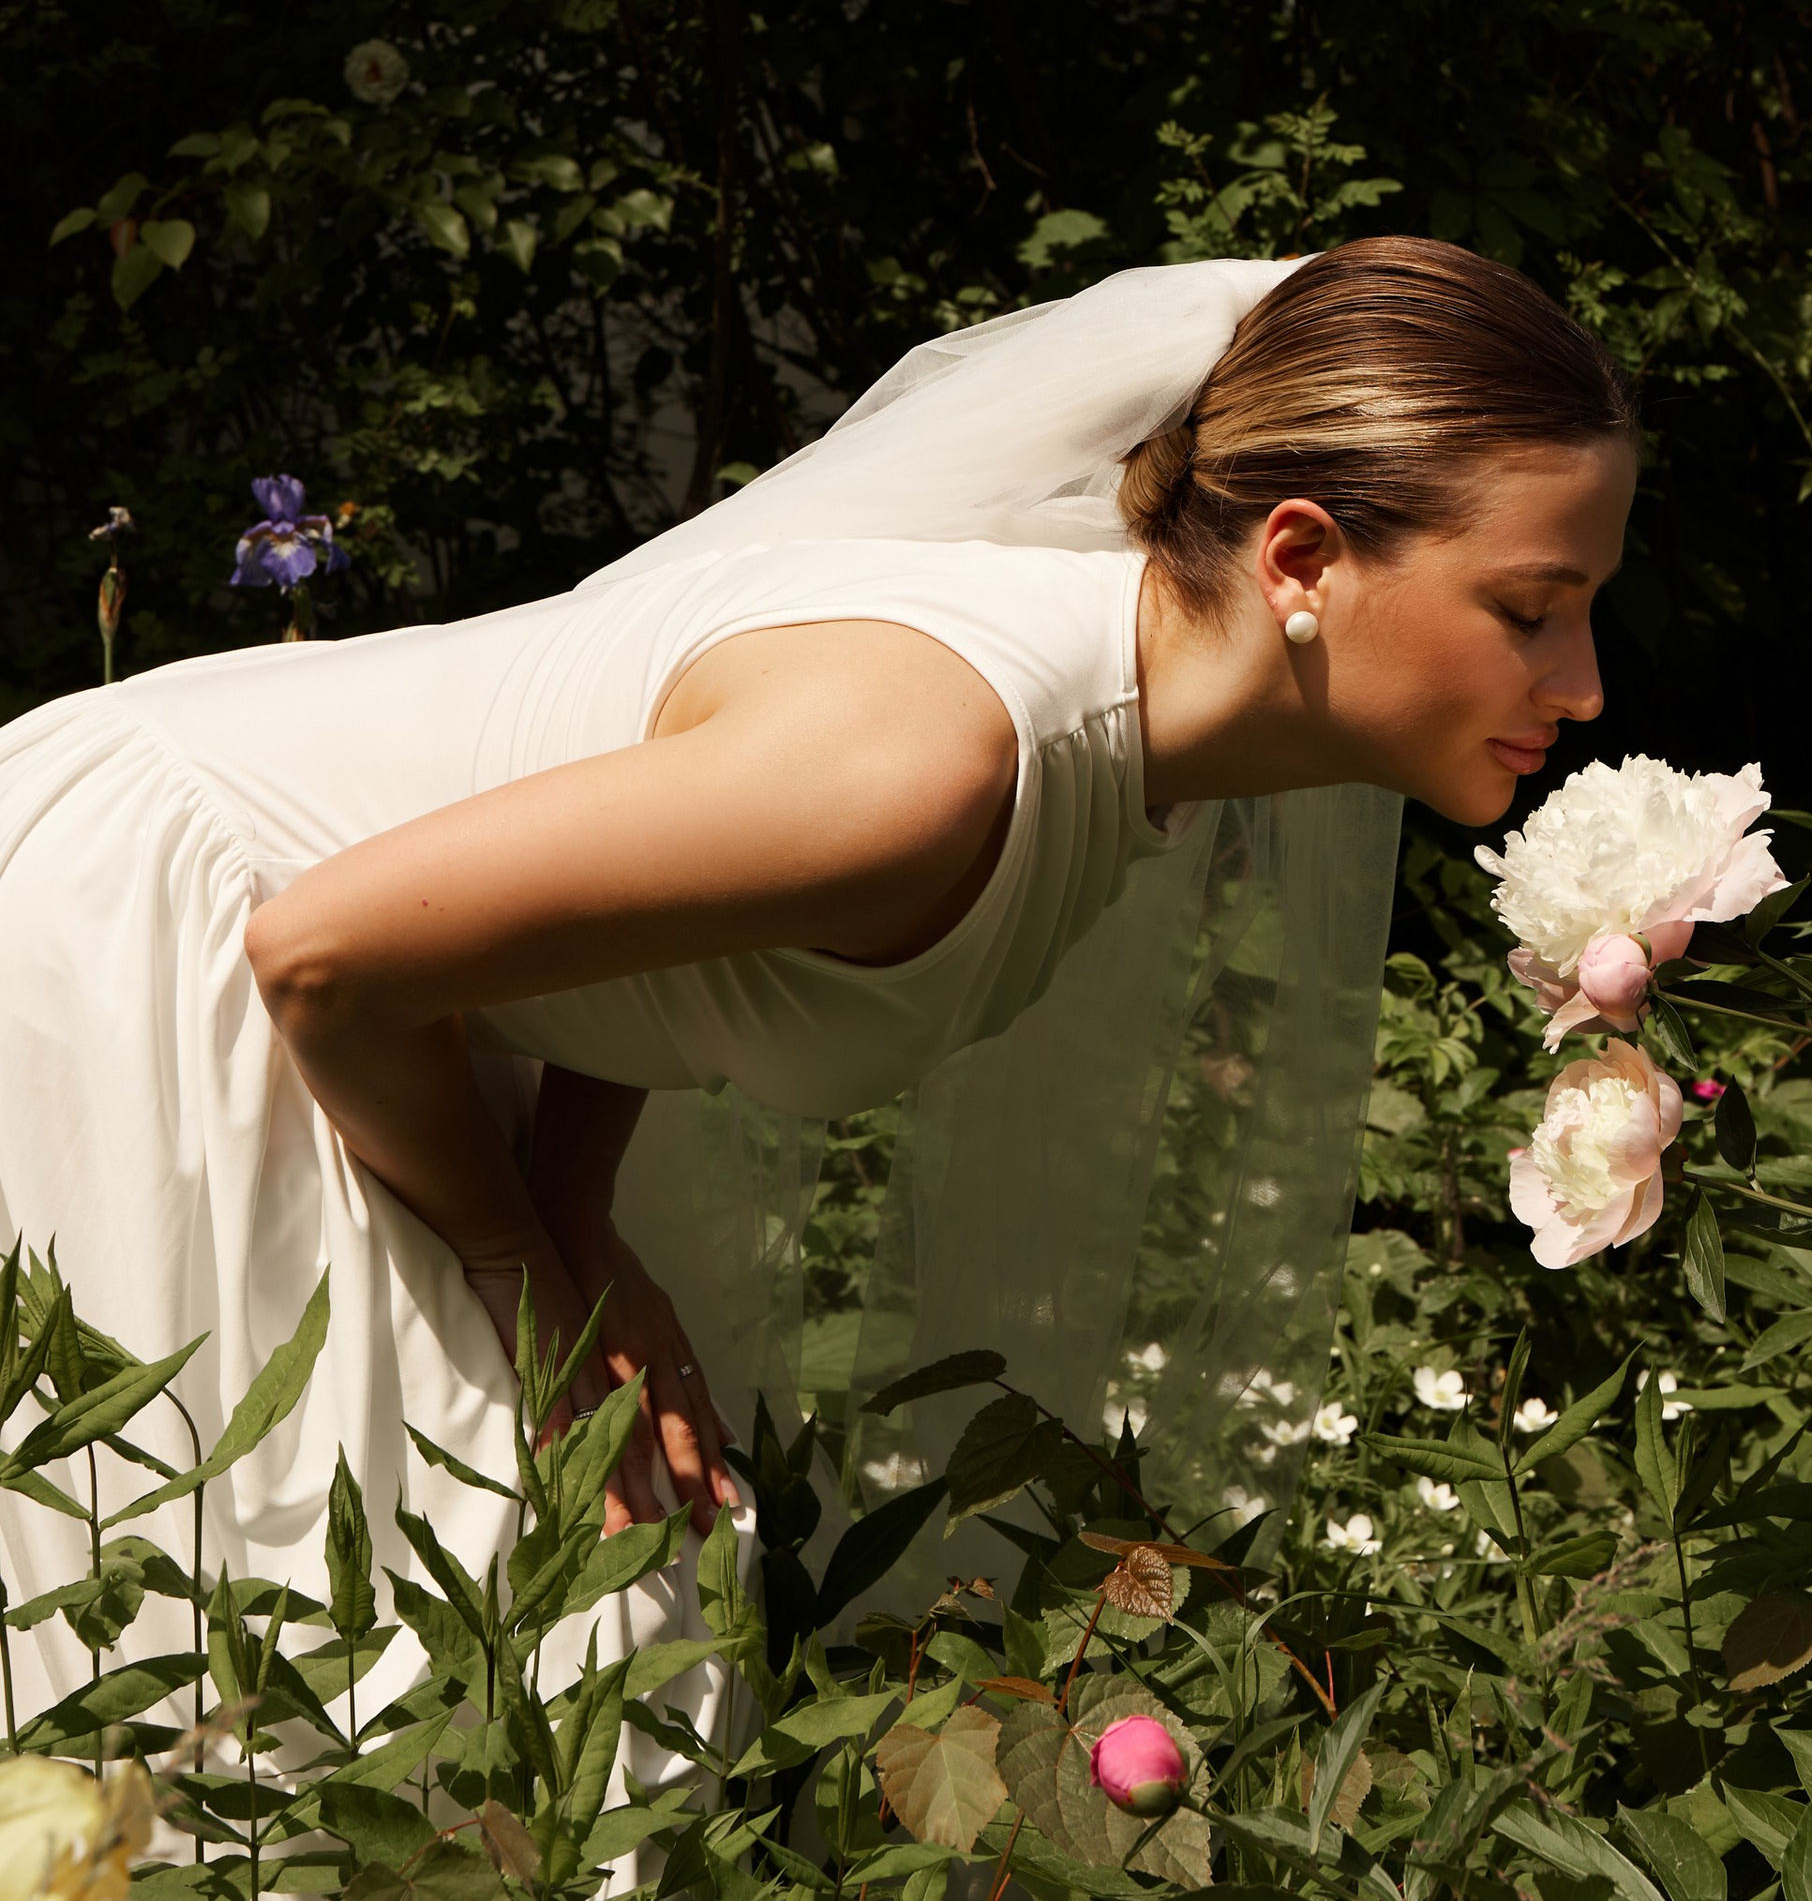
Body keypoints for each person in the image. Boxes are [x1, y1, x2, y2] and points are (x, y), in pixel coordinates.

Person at [0, 239, 1637, 1713]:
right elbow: (323, 952)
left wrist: (577, 1205)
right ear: (1298, 558)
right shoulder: (931, 763)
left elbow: (639, 894)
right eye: (1528, 612)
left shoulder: (1127, 726)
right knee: (343, 1672)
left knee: (553, 1660)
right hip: (180, 940)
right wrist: (519, 1265)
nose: (1581, 685)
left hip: (393, 995)